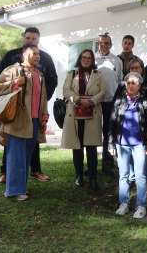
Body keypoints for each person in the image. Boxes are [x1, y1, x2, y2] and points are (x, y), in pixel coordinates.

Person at [0, 27, 57, 184]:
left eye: (34, 39)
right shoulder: (11, 56)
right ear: (23, 37)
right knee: (12, 140)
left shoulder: (45, 58)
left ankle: (35, 170)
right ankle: (5, 171)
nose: (30, 41)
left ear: (38, 40)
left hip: (35, 109)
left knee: (34, 140)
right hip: (15, 108)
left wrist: (43, 100)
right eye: (28, 38)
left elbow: (52, 79)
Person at [0, 45, 49, 201]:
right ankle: (14, 191)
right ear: (24, 54)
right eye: (34, 53)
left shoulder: (39, 74)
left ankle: (20, 187)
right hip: (17, 119)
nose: (38, 56)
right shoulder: (13, 69)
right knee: (16, 155)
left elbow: (43, 97)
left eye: (39, 54)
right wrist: (15, 83)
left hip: (35, 120)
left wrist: (44, 116)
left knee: (26, 155)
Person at [61, 49, 106, 190]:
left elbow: (103, 92)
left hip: (92, 113)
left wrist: (91, 101)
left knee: (91, 147)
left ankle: (92, 176)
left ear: (92, 60)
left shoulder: (99, 75)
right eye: (84, 57)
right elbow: (66, 90)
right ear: (80, 59)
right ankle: (79, 175)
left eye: (89, 58)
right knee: (77, 147)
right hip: (75, 113)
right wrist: (78, 99)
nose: (86, 60)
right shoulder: (72, 74)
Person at [110, 72, 147, 219]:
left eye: (134, 82)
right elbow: (112, 123)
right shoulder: (119, 101)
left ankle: (141, 206)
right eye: (128, 83)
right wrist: (111, 143)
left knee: (140, 175)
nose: (131, 85)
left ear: (139, 85)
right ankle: (124, 203)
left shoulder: (144, 101)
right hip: (122, 144)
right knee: (124, 175)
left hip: (139, 144)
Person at [95, 33, 123, 174]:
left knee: (108, 132)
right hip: (94, 102)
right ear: (98, 44)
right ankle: (93, 165)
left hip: (110, 102)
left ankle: (107, 164)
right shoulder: (92, 58)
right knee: (93, 133)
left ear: (111, 45)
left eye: (106, 43)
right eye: (101, 43)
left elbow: (119, 80)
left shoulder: (116, 60)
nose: (104, 45)